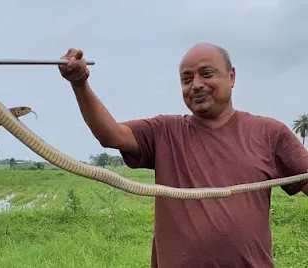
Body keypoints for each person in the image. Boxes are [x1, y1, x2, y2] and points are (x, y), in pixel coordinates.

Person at [58, 44, 308, 267]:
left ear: (231, 77)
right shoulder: (164, 131)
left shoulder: (269, 133)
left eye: (206, 74)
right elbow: (111, 135)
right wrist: (80, 83)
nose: (196, 84)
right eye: (186, 79)